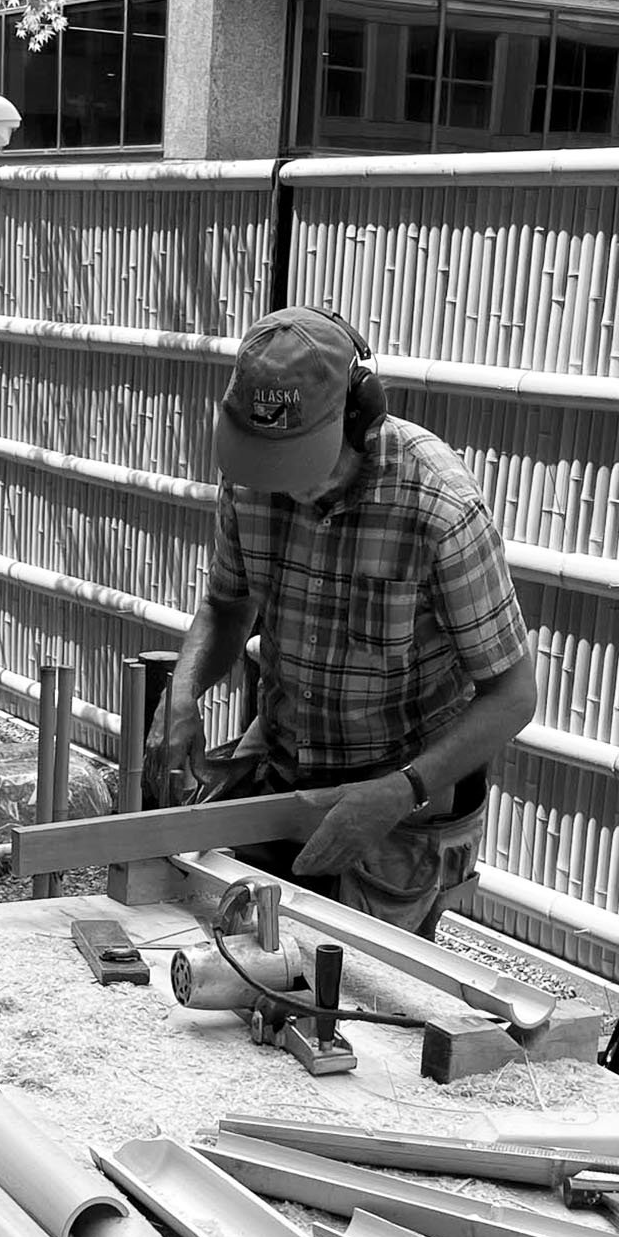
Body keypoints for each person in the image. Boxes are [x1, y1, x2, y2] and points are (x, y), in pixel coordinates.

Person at [150, 306, 538, 938]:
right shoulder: (252, 479)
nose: (286, 488)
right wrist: (184, 693)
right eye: (269, 465)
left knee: (347, 992)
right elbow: (227, 605)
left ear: (359, 418)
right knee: (224, 950)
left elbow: (513, 696)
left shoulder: (439, 507)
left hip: (401, 802)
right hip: (285, 773)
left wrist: (398, 791)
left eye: (301, 465)